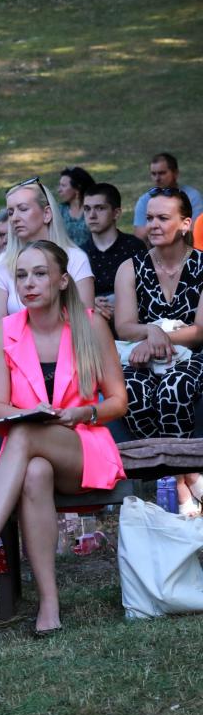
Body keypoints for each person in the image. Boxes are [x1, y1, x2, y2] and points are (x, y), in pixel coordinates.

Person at [0, 240, 127, 635]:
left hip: (83, 445)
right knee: (35, 471)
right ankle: (49, 603)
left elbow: (118, 400)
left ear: (62, 280)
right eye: (21, 275)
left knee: (24, 435)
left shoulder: (90, 324)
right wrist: (30, 415)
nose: (28, 283)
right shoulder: (4, 331)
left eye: (40, 274)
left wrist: (83, 412)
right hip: (28, 454)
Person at [112, 188, 203, 509]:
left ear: (185, 224)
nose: (153, 224)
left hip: (194, 354)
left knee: (173, 388)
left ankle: (179, 477)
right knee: (130, 391)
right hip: (143, 356)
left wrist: (157, 337)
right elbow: (125, 327)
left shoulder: (202, 265)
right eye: (149, 217)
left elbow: (199, 332)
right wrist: (151, 333)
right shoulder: (131, 267)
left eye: (163, 218)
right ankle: (184, 476)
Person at [0, 177, 96, 324]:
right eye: (11, 212)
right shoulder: (1, 264)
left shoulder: (76, 258)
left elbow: (87, 322)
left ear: (47, 214)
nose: (14, 218)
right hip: (15, 339)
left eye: (23, 209)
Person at [82, 183, 147, 316]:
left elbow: (147, 289)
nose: (92, 215)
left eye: (100, 208)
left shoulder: (134, 247)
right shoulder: (79, 254)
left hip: (133, 317)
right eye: (87, 209)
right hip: (92, 320)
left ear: (116, 213)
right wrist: (89, 303)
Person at [133, 153, 203, 240]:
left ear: (175, 173)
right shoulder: (145, 200)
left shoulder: (192, 196)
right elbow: (140, 237)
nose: (157, 178)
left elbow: (196, 231)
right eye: (153, 174)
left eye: (162, 173)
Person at [56, 167, 95, 247]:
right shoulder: (60, 211)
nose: (59, 190)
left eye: (63, 186)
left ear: (77, 188)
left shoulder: (93, 209)